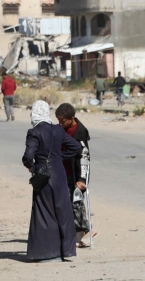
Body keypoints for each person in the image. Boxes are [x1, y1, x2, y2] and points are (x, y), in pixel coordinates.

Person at [22, 100, 83, 262]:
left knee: (44, 212)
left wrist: (32, 166)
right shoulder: (58, 130)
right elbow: (76, 147)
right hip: (60, 175)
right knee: (62, 212)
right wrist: (57, 158)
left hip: (43, 176)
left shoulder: (34, 132)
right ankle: (66, 252)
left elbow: (28, 156)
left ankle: (46, 253)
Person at [56, 103, 94, 246]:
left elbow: (85, 157)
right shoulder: (61, 129)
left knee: (76, 203)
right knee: (67, 203)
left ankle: (88, 230)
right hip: (63, 171)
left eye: (63, 121)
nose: (60, 123)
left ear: (71, 118)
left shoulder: (80, 132)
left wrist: (82, 179)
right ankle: (77, 236)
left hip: (76, 174)